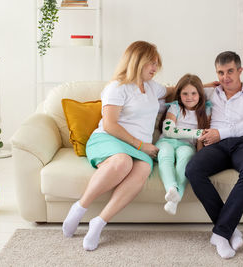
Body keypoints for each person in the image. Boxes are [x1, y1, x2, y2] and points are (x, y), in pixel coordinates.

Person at [62, 40, 175, 251]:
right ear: (136, 61)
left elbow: (175, 90)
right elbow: (110, 125)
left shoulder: (152, 87)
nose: (155, 68)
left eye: (156, 63)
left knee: (141, 170)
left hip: (139, 148)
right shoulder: (117, 87)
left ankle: (99, 222)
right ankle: (79, 207)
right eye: (151, 62)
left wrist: (206, 87)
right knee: (122, 162)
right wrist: (142, 146)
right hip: (109, 138)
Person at [185, 51, 243, 259]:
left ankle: (220, 233)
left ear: (240, 70)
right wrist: (202, 84)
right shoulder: (210, 93)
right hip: (217, 145)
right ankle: (228, 229)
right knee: (193, 169)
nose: (225, 77)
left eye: (230, 71)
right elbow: (181, 93)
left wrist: (221, 132)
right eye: (221, 72)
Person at [155, 74, 211, 215]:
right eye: (185, 93)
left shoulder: (206, 110)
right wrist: (196, 133)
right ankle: (172, 189)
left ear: (200, 94)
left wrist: (200, 148)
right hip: (166, 141)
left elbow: (204, 136)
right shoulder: (175, 107)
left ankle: (175, 199)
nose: (189, 97)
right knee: (166, 155)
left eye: (193, 93)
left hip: (187, 145)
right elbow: (168, 130)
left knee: (185, 158)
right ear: (179, 95)